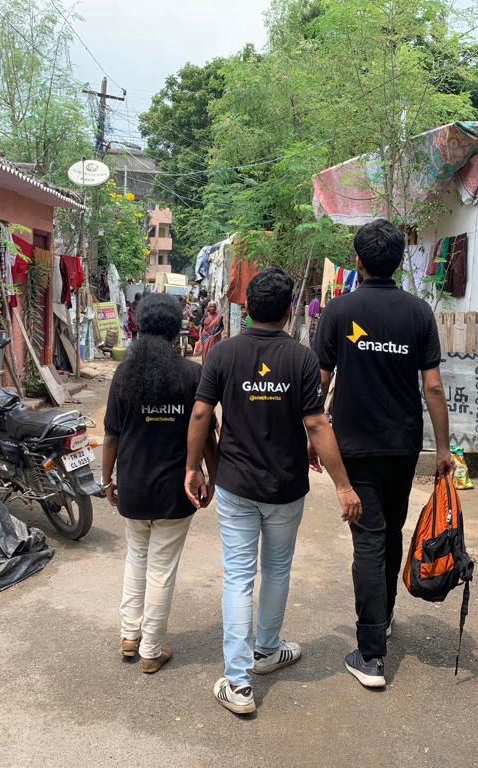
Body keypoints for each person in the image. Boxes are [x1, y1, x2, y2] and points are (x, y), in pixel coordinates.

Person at [185, 267, 361, 716]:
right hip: (286, 486)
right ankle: (265, 650)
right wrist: (343, 486)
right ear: (289, 311)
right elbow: (317, 423)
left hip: (236, 485)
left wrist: (192, 467)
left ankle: (239, 683)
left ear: (246, 307)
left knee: (239, 576)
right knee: (277, 569)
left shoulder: (222, 354)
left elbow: (202, 413)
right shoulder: (301, 359)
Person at [312, 218, 453, 690]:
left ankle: (371, 654)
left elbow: (320, 386)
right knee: (390, 531)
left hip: (354, 446)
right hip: (403, 444)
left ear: (357, 261)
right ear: (398, 261)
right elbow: (432, 386)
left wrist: (313, 440)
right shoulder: (418, 313)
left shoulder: (338, 311)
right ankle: (385, 618)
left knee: (370, 541)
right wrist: (444, 449)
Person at [102, 293, 216, 674]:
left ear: (139, 325)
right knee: (162, 567)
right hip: (175, 489)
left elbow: (112, 435)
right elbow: (208, 434)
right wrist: (210, 474)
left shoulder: (123, 373)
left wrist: (106, 481)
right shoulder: (191, 374)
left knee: (137, 558)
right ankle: (151, 649)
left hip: (133, 484)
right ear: (175, 329)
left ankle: (129, 635)